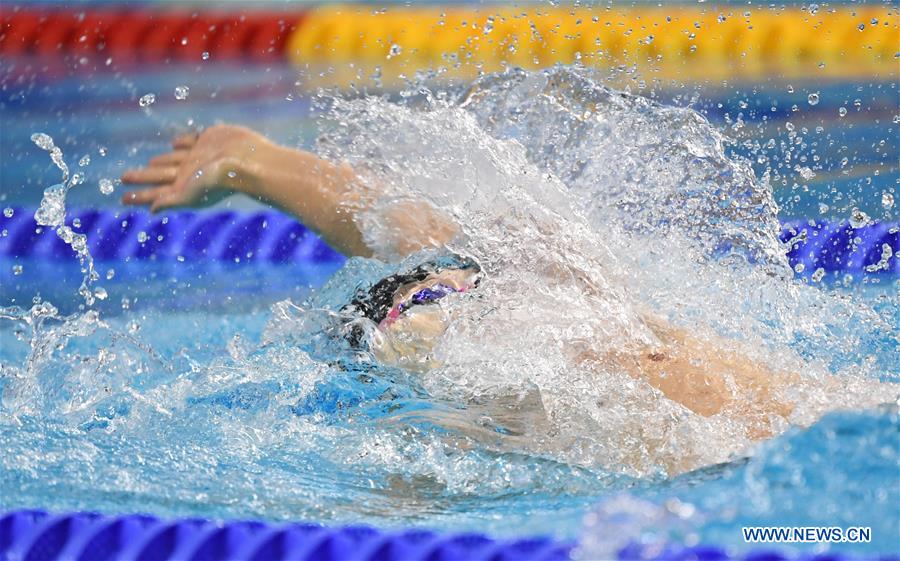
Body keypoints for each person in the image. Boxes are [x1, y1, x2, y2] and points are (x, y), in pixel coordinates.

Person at [121, 124, 892, 468]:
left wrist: (255, 162)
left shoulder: (535, 315)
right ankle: (252, 161)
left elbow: (407, 232)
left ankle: (252, 162)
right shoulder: (536, 328)